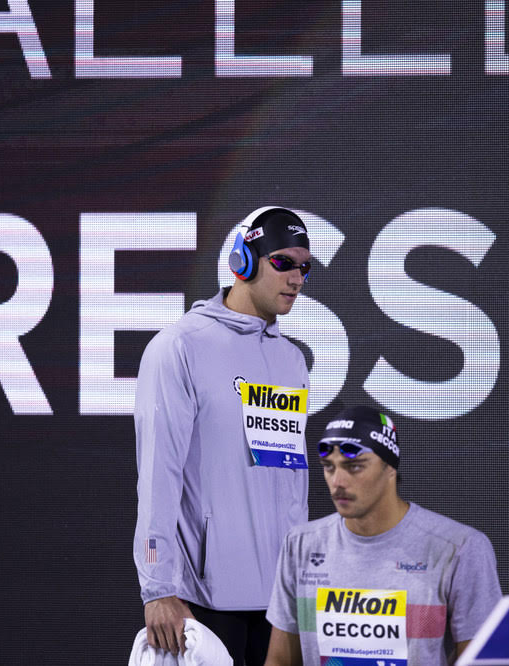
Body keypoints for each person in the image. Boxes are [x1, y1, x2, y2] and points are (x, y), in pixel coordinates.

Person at [134, 207, 314, 665]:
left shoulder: (292, 361)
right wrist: (158, 588)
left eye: (304, 267)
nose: (297, 278)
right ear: (243, 261)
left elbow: (291, 485)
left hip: (280, 605)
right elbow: (159, 475)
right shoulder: (180, 347)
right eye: (283, 263)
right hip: (205, 604)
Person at [265, 406, 502, 666]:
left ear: (389, 467)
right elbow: (280, 660)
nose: (338, 481)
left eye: (354, 466)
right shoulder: (301, 544)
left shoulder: (458, 547)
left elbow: (484, 659)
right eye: (328, 467)